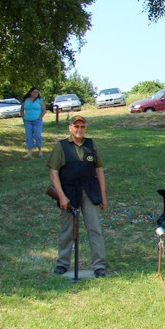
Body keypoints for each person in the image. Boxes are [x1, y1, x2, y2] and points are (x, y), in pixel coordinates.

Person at [47, 115, 108, 278]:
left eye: (82, 127)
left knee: (94, 228)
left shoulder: (91, 145)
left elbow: (99, 170)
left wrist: (103, 196)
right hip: (69, 193)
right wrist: (61, 196)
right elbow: (53, 173)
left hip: (90, 191)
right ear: (70, 128)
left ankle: (99, 265)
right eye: (76, 126)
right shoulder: (61, 146)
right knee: (67, 230)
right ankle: (62, 264)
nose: (79, 130)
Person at [20, 87, 46, 159]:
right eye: (34, 92)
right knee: (28, 136)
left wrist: (40, 117)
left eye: (37, 92)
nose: (36, 93)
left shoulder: (40, 100)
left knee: (37, 135)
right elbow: (22, 110)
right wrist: (23, 117)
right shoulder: (26, 100)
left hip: (37, 121)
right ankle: (29, 153)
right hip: (27, 120)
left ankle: (40, 151)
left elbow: (44, 110)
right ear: (30, 92)